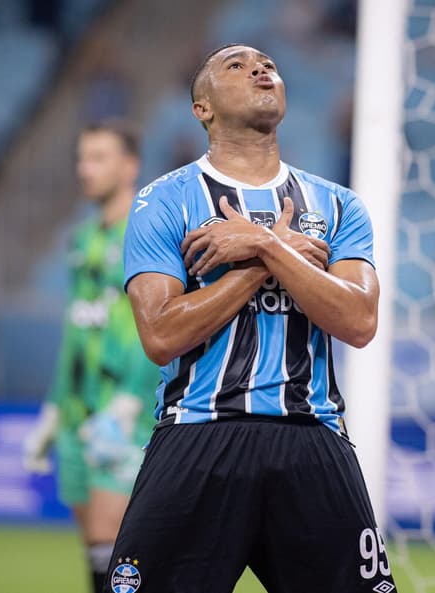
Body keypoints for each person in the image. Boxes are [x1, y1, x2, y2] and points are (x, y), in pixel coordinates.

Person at [108, 44, 396, 593]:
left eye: (267, 63)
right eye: (235, 66)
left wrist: (261, 242)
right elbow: (162, 334)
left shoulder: (338, 205)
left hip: (312, 437)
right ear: (203, 109)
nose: (260, 69)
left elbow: (359, 321)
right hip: (199, 434)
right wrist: (273, 259)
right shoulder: (164, 201)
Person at [23, 120, 160, 593]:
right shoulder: (82, 240)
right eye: (83, 158)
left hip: (124, 414)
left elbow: (156, 323)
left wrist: (130, 403)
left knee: (116, 547)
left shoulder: (146, 232)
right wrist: (53, 408)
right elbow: (76, 330)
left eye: (99, 158)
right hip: (78, 413)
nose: (85, 169)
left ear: (130, 167)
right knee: (97, 553)